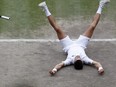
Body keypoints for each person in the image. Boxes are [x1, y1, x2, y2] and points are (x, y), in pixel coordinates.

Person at [38, 0, 110, 76]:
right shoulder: (85, 59)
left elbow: (59, 65)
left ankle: (45, 7)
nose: (78, 57)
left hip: (68, 45)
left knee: (57, 28)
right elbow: (97, 63)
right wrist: (100, 68)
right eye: (79, 59)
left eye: (77, 59)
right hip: (81, 44)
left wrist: (54, 70)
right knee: (92, 26)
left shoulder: (69, 61)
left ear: (74, 61)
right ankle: (101, 5)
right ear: (82, 61)